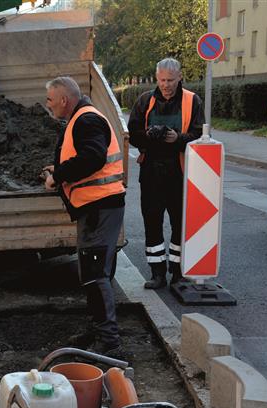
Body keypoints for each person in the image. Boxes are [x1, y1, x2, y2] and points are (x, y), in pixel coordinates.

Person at [42, 76, 126, 357]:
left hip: (99, 208)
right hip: (97, 207)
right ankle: (99, 331)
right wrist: (57, 169)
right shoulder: (81, 118)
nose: (48, 105)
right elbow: (87, 156)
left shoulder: (86, 120)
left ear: (64, 100)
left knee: (94, 274)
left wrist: (59, 175)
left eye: (51, 100)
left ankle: (110, 344)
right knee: (93, 273)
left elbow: (93, 157)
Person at [128, 58, 203, 288]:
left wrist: (177, 138)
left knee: (180, 223)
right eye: (162, 80)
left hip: (179, 173)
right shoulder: (145, 101)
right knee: (152, 222)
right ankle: (157, 273)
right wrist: (149, 136)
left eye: (170, 80)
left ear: (180, 77)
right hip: (151, 172)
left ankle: (177, 272)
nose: (166, 85)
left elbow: (200, 136)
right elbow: (132, 134)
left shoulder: (192, 101)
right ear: (156, 77)